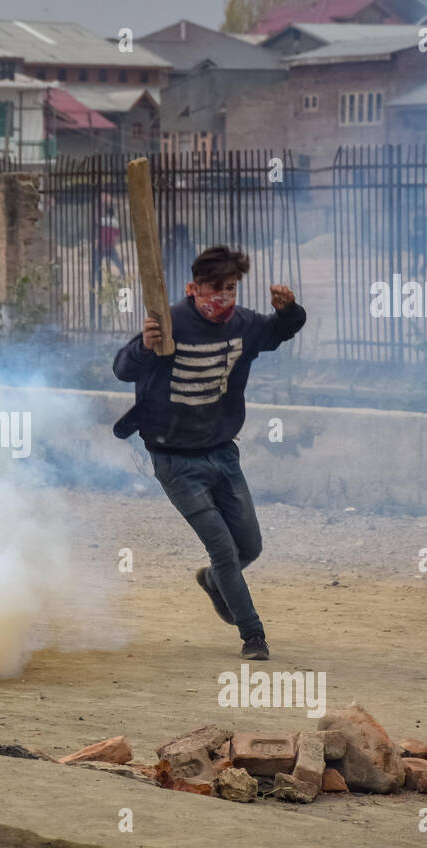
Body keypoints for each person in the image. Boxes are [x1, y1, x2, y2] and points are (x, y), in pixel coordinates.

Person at [112, 245, 306, 661]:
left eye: (231, 288)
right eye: (215, 289)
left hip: (222, 453)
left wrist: (289, 310)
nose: (223, 297)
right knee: (222, 548)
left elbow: (280, 331)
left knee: (248, 547)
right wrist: (145, 346)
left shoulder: (244, 325)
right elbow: (123, 369)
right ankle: (253, 635)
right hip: (175, 460)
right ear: (193, 288)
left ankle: (215, 583)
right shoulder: (169, 322)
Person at [93, 197, 124, 282]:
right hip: (110, 246)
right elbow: (117, 237)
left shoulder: (101, 220)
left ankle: (94, 276)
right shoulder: (115, 222)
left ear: (106, 213)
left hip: (101, 246)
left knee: (96, 263)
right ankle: (123, 274)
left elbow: (97, 231)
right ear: (113, 214)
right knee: (118, 262)